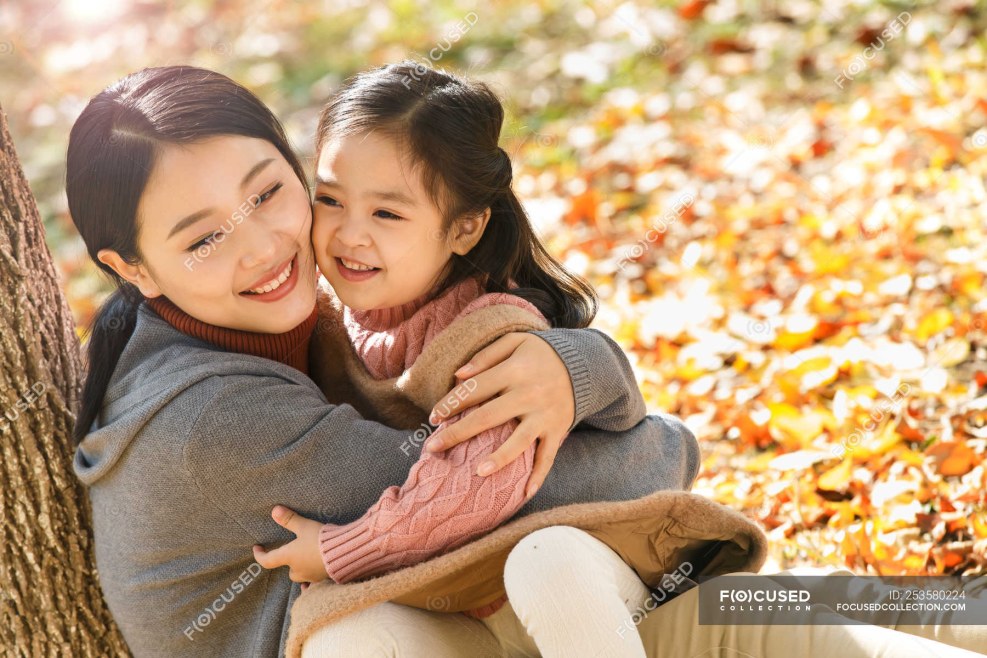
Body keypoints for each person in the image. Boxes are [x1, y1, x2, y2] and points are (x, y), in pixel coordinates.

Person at [67, 65, 701, 658]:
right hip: (447, 618)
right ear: (133, 269)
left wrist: (573, 365)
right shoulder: (212, 419)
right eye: (205, 238)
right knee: (504, 583)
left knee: (777, 612)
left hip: (490, 613)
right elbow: (483, 500)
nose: (261, 248)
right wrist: (657, 435)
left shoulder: (309, 321)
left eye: (264, 195)